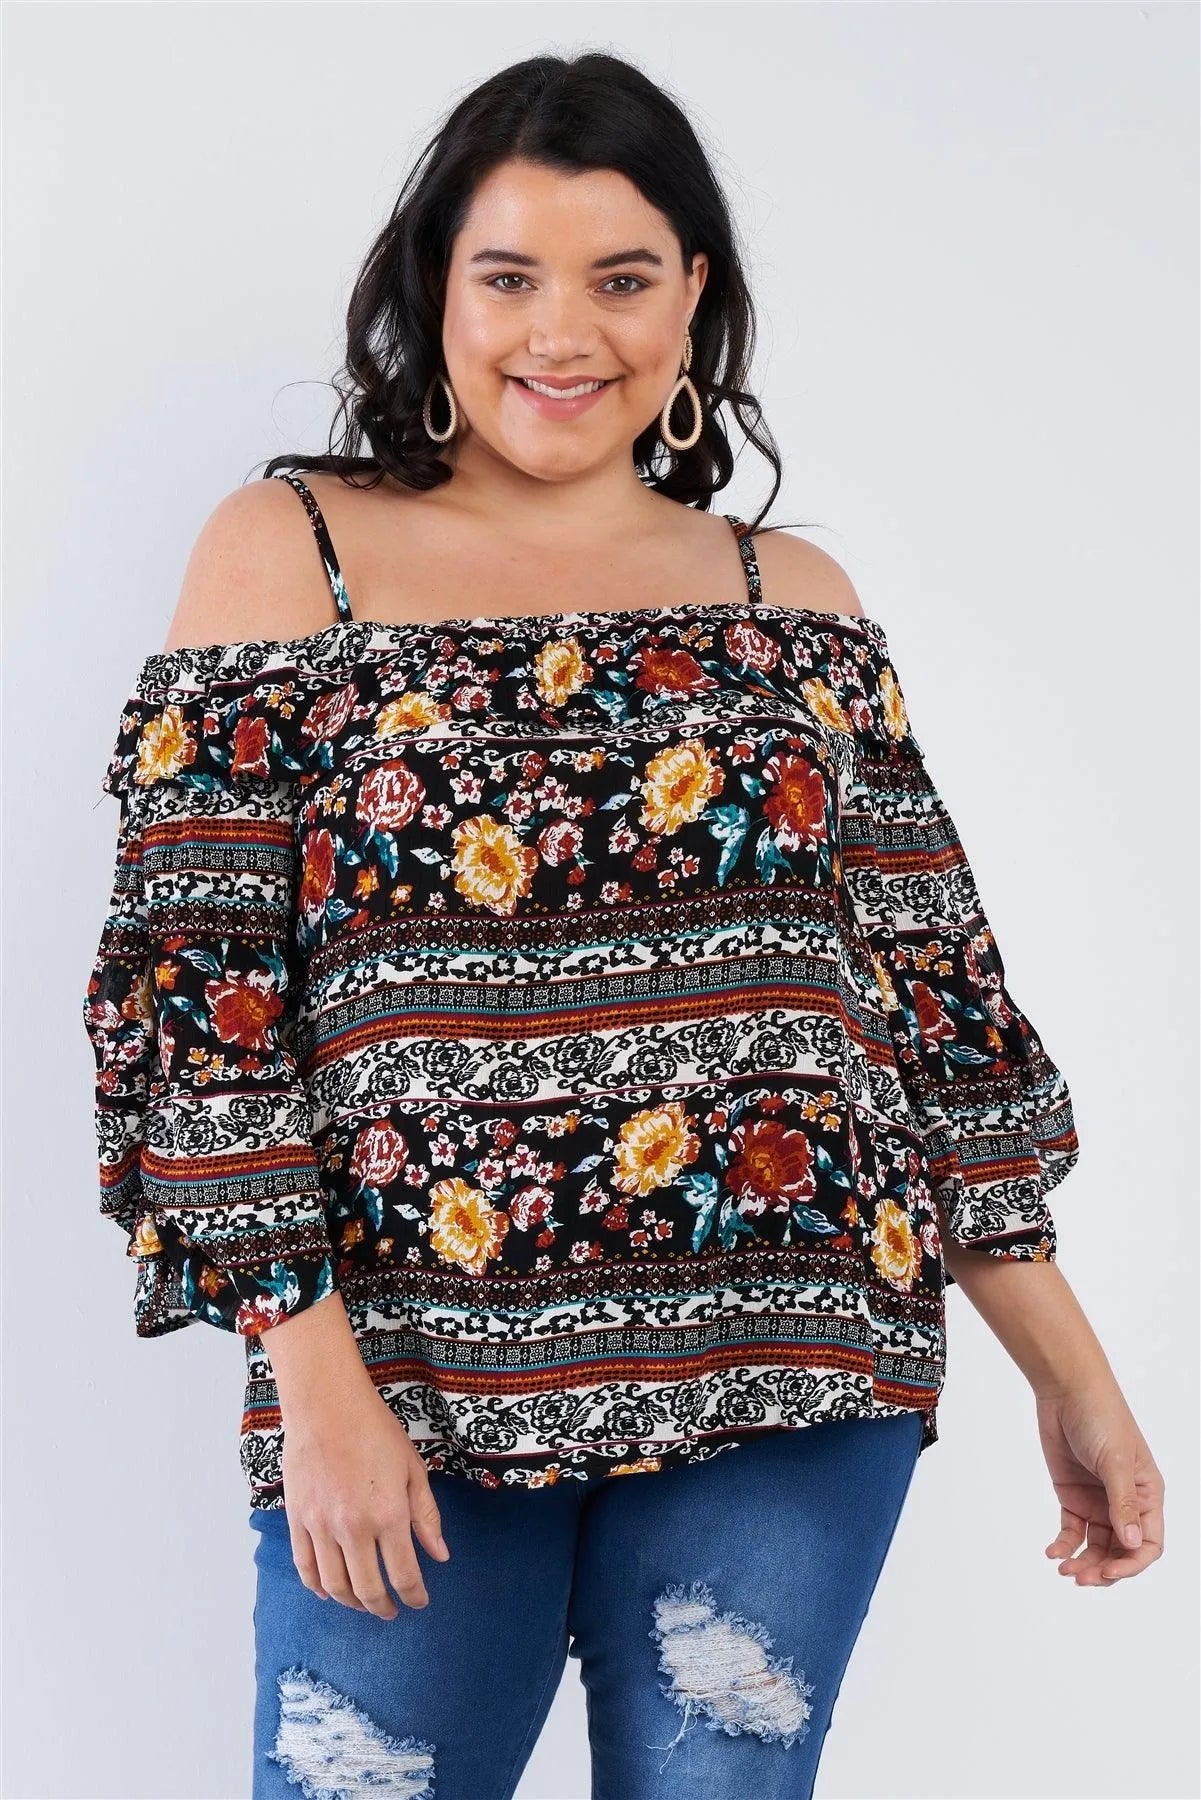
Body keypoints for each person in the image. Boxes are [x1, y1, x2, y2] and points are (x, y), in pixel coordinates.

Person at [81, 50, 1164, 1800]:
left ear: (692, 299)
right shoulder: (290, 554)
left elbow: (936, 1011)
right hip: (409, 1373)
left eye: (621, 278)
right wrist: (314, 1380)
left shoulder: (788, 601)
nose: (560, 332)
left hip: (791, 1361)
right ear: (435, 290)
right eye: (508, 276)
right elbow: (196, 1003)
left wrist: (1075, 1378)